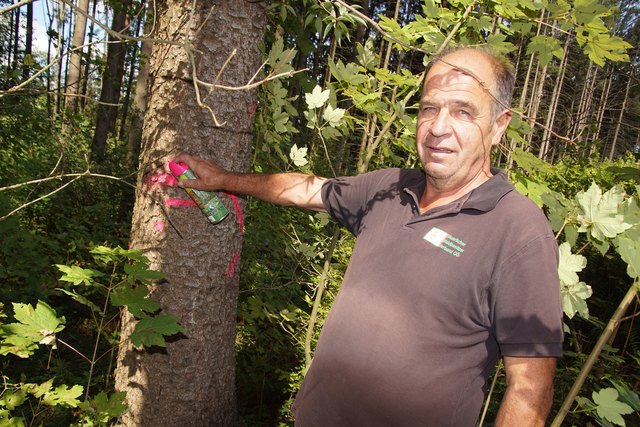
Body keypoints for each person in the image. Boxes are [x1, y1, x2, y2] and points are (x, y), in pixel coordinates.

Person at [173, 47, 564, 426]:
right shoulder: (388, 188)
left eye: (463, 111)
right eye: (430, 108)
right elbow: (306, 190)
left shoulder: (518, 231)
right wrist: (225, 179)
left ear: (499, 125)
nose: (439, 128)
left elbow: (529, 389)